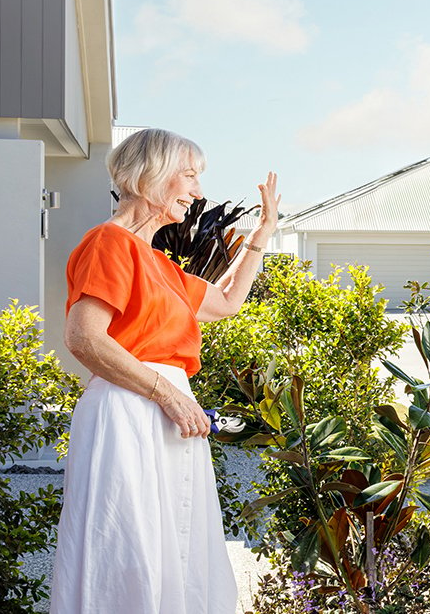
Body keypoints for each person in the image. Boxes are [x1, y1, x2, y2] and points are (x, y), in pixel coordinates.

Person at [51, 128, 281, 613]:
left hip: (165, 413)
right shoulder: (107, 243)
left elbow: (224, 303)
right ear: (150, 176)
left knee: (176, 548)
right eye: (190, 175)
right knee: (127, 550)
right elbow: (85, 338)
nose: (198, 192)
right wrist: (169, 394)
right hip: (130, 410)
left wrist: (259, 239)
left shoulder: (159, 263)